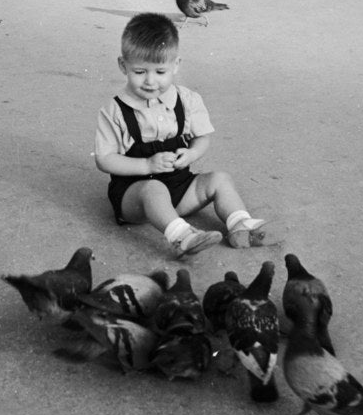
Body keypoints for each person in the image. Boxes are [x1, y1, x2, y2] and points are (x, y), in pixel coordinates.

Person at [94, 13, 269, 257]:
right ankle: (182, 236)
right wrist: (146, 164)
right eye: (140, 71)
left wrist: (192, 154)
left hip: (179, 187)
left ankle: (240, 225)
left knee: (219, 179)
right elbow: (104, 159)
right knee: (153, 189)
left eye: (160, 71)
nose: (150, 81)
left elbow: (203, 137)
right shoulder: (115, 110)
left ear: (176, 65)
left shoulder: (187, 100)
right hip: (136, 197)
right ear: (123, 66)